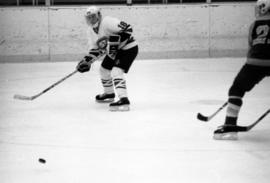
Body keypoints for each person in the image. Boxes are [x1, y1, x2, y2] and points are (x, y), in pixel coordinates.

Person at [214, 0, 270, 140]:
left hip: (255, 63)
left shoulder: (254, 25)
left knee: (236, 90)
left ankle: (230, 128)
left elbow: (251, 45)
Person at [76, 6, 139, 111]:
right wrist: (87, 61)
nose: (91, 20)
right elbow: (95, 49)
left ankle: (124, 99)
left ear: (99, 15)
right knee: (104, 69)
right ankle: (109, 94)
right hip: (113, 52)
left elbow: (128, 28)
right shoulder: (90, 31)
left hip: (128, 48)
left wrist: (116, 42)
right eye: (88, 18)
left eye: (93, 17)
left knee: (116, 71)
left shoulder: (107, 21)